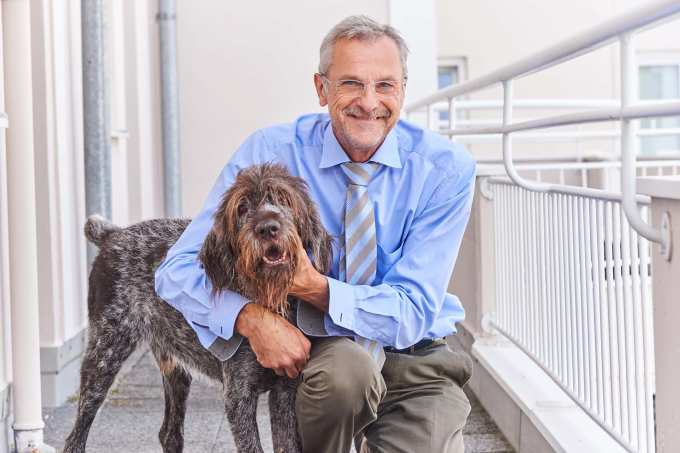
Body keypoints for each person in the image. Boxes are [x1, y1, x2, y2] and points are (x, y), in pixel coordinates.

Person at [155, 15, 476, 453]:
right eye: (350, 84)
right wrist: (251, 318)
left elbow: (414, 311)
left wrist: (314, 286)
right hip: (321, 347)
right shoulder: (269, 151)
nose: (368, 102)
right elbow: (175, 271)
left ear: (402, 89)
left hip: (414, 354)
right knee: (345, 375)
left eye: (385, 85)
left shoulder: (446, 170)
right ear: (321, 89)